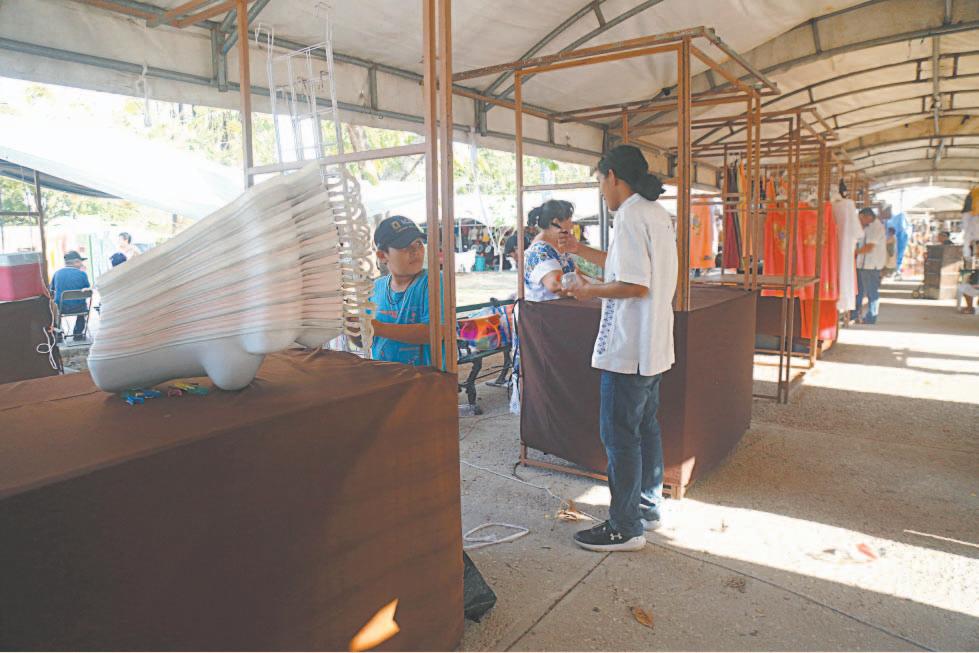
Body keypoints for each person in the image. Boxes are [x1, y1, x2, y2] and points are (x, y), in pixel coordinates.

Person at [562, 145, 678, 552]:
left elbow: (634, 284)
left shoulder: (629, 215)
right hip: (652, 343)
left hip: (630, 347)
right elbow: (625, 265)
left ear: (612, 176)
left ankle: (625, 527)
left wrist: (587, 290)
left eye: (599, 181)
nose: (601, 189)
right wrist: (580, 251)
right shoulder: (654, 212)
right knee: (645, 428)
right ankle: (646, 508)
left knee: (620, 436)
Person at [368, 216, 436, 366]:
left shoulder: (433, 282)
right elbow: (365, 337)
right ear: (382, 255)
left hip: (424, 378)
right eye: (404, 246)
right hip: (385, 375)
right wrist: (352, 328)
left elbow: (435, 332)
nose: (415, 251)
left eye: (418, 243)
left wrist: (379, 328)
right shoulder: (375, 288)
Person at [523, 200, 577, 301]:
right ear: (556, 222)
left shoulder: (556, 249)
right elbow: (556, 285)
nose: (572, 225)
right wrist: (593, 287)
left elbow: (576, 273)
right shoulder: (540, 251)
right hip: (545, 309)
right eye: (570, 220)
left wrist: (598, 283)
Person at [853, 207, 887, 325]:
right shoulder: (868, 227)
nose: (860, 221)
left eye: (861, 219)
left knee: (871, 292)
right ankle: (854, 314)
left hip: (871, 265)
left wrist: (852, 252)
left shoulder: (876, 227)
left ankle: (871, 317)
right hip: (863, 265)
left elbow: (868, 248)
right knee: (859, 291)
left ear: (868, 217)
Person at [50, 250, 91, 341]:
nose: (82, 264)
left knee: (54, 307)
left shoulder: (57, 273)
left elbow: (51, 290)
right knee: (84, 305)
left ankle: (58, 333)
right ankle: (78, 333)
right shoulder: (82, 274)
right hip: (79, 309)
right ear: (76, 262)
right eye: (80, 262)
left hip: (62, 308)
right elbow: (88, 291)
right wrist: (82, 273)